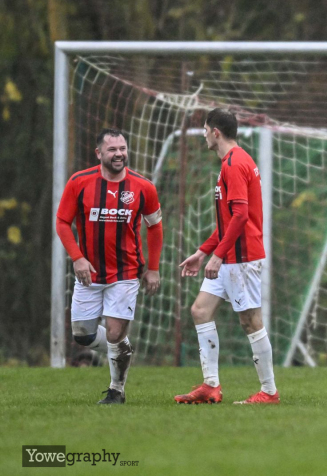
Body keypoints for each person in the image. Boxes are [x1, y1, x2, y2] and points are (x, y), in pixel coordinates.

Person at [174, 109, 279, 405]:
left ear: (215, 132)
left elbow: (241, 216)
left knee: (250, 320)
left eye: (206, 130)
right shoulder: (234, 160)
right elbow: (227, 221)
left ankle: (269, 392)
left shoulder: (234, 164)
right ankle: (211, 386)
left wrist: (217, 256)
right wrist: (202, 252)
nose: (204, 135)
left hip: (241, 257)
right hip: (229, 255)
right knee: (201, 310)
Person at [56, 128, 163, 404]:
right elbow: (62, 223)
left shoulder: (143, 187)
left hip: (126, 273)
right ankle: (122, 348)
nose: (119, 154)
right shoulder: (79, 182)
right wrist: (77, 257)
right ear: (99, 153)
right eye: (113, 149)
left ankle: (117, 390)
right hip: (89, 274)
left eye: (123, 148)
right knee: (82, 335)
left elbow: (155, 226)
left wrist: (153, 268)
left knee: (115, 332)